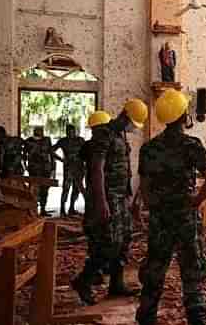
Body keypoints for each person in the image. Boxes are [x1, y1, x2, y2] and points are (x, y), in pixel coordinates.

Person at [136, 89, 206, 325]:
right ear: (183, 116)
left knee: (155, 268)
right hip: (184, 216)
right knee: (191, 268)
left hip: (160, 218)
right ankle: (196, 316)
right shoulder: (191, 145)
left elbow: (145, 187)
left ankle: (147, 315)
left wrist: (155, 208)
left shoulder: (149, 148)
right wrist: (195, 201)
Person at [71, 99, 148, 305]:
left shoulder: (120, 135)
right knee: (107, 244)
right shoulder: (104, 133)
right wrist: (101, 202)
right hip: (106, 199)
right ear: (124, 116)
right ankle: (83, 281)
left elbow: (125, 169)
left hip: (120, 198)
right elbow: (96, 168)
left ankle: (116, 284)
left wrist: (130, 199)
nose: (133, 127)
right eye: (133, 122)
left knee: (123, 240)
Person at [71, 111, 112, 301]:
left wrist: (84, 190)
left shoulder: (100, 145)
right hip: (99, 200)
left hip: (100, 198)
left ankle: (95, 274)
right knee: (102, 240)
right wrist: (86, 192)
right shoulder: (91, 147)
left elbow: (76, 171)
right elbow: (78, 170)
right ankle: (85, 280)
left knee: (99, 239)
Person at [52, 124, 86, 216]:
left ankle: (72, 208)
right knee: (66, 189)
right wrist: (61, 160)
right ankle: (62, 210)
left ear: (75, 131)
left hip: (79, 168)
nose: (70, 133)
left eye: (72, 131)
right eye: (68, 131)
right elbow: (51, 150)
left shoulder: (80, 140)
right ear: (66, 132)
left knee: (77, 189)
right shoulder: (63, 141)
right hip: (68, 168)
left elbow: (87, 152)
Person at [25, 126, 55, 217]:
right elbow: (24, 154)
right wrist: (25, 166)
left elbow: (51, 153)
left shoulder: (47, 140)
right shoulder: (28, 141)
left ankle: (43, 209)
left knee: (45, 189)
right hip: (34, 169)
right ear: (34, 131)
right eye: (37, 131)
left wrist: (53, 167)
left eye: (41, 131)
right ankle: (33, 210)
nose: (40, 132)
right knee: (34, 190)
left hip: (46, 169)